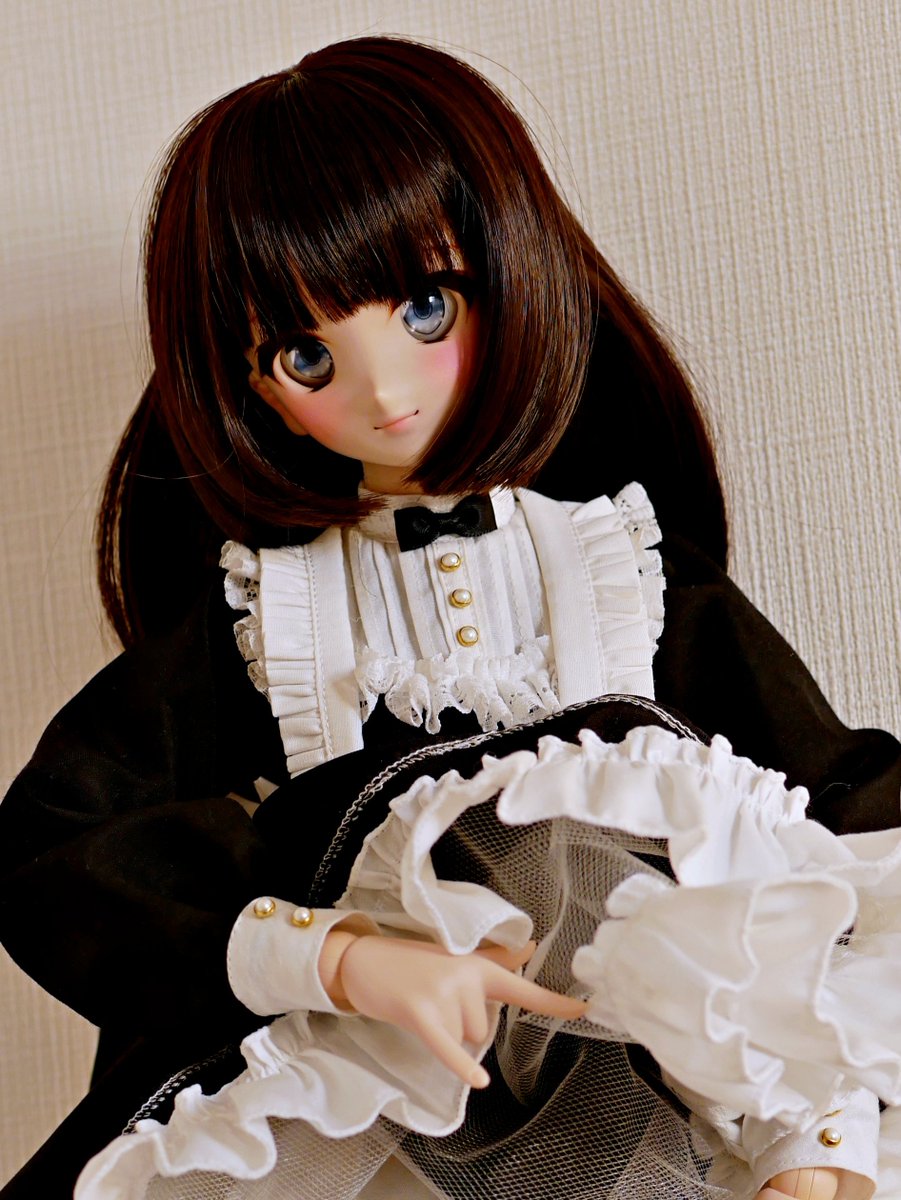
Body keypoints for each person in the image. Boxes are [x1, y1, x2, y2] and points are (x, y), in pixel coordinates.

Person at [2, 34, 901, 1200]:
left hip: (667, 1110)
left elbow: (821, 837)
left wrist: (813, 1139)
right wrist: (337, 958)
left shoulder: (621, 576)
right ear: (247, 384)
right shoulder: (268, 621)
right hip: (377, 1117)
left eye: (425, 308)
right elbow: (55, 850)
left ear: (515, 271)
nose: (383, 390)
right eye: (306, 354)